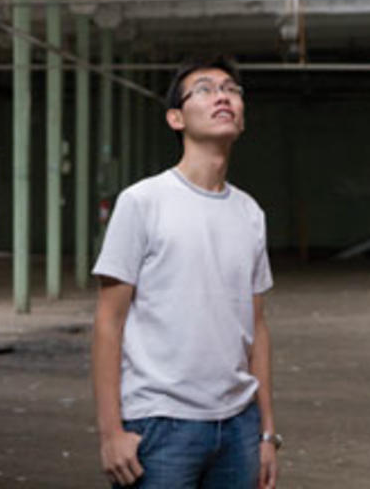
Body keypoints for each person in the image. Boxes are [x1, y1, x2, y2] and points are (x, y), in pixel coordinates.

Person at [91, 56, 278, 489]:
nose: (223, 96)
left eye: (231, 89)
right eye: (206, 89)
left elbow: (258, 329)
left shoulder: (250, 213)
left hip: (238, 427)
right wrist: (110, 433)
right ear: (176, 118)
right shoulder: (142, 202)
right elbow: (108, 322)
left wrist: (267, 432)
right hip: (160, 425)